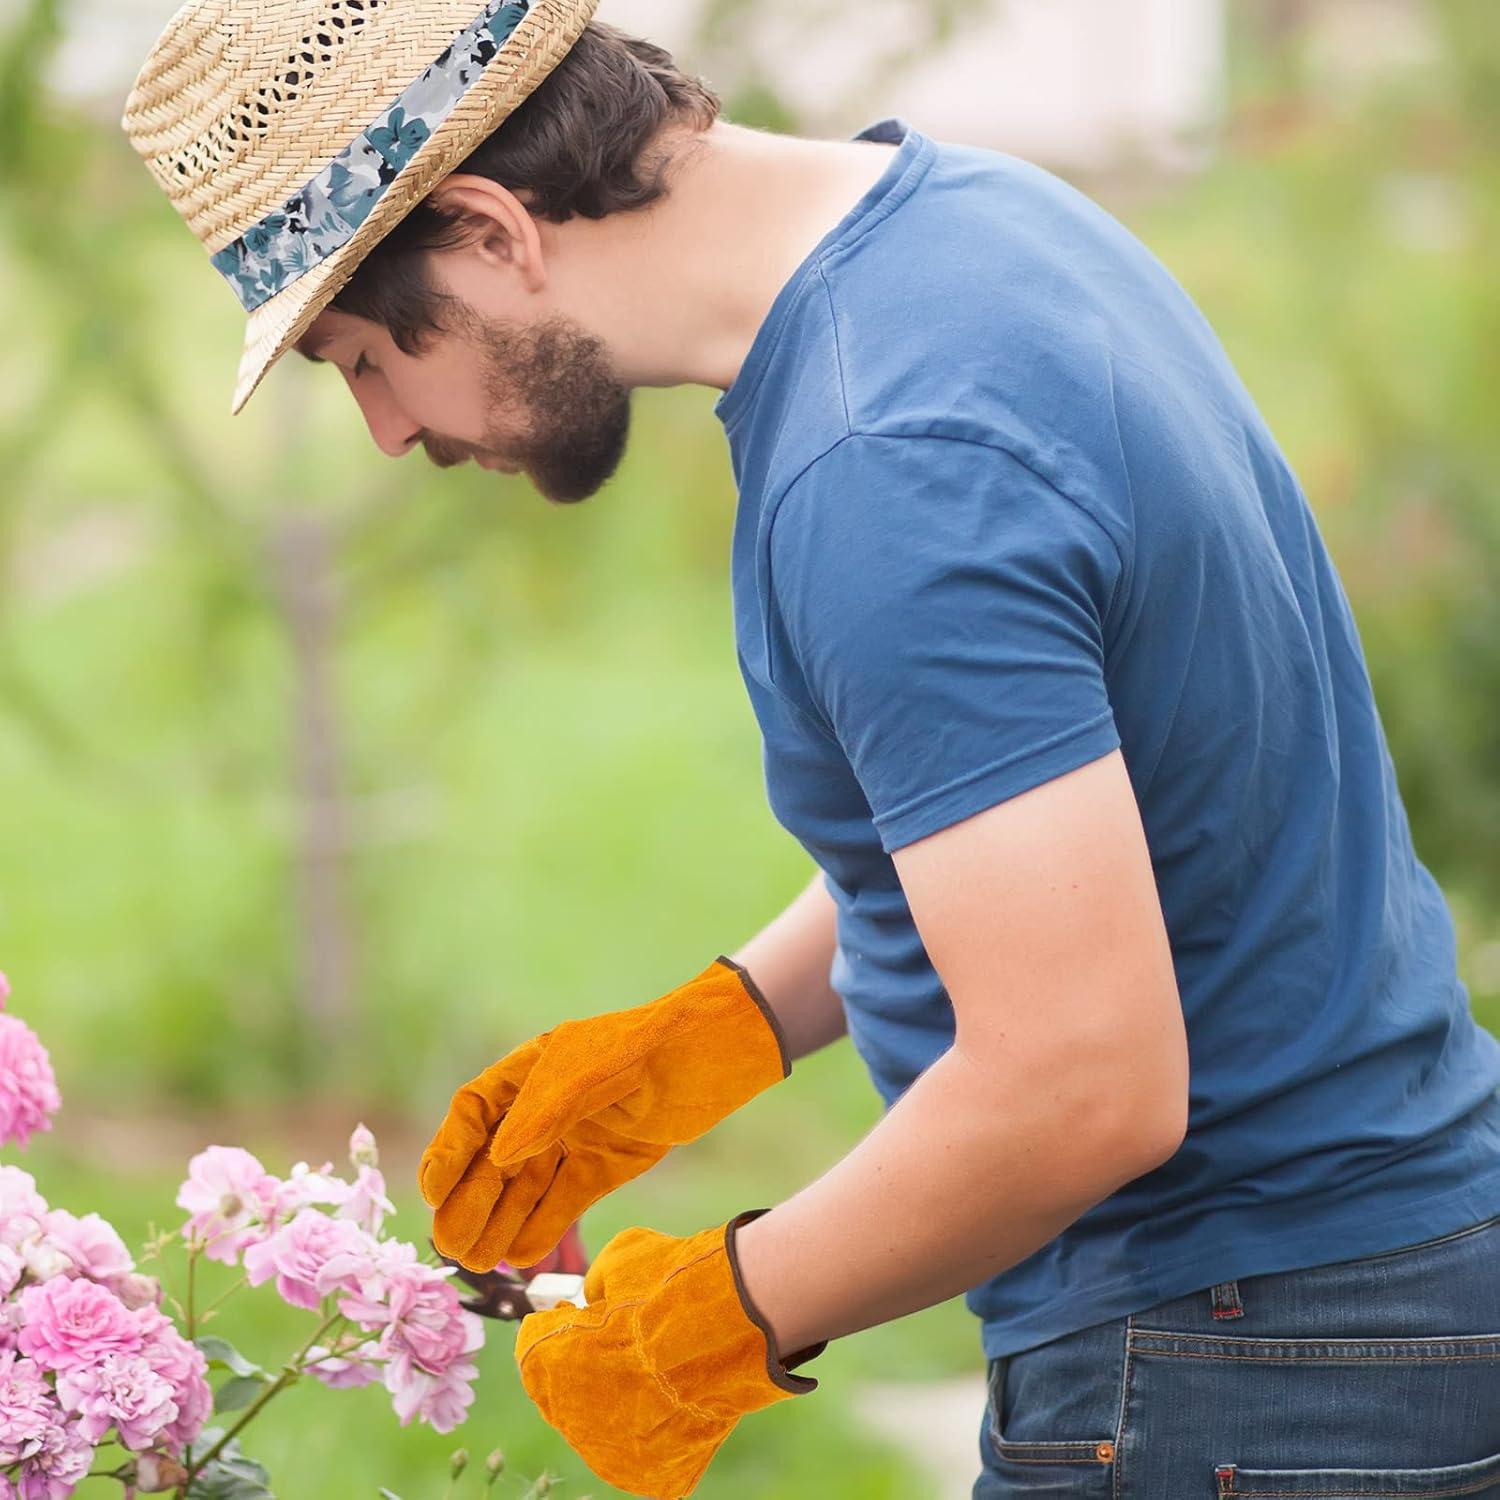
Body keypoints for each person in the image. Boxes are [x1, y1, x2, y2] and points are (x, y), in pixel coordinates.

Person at [123, 4, 1500, 1497]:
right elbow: (1083, 812)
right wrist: (719, 1032)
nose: (386, 430)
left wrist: (712, 1315)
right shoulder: (975, 227)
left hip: (1235, 1358)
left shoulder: (884, 465)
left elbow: (1085, 1082)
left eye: (365, 356)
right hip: (1383, 1280)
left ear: (490, 228)